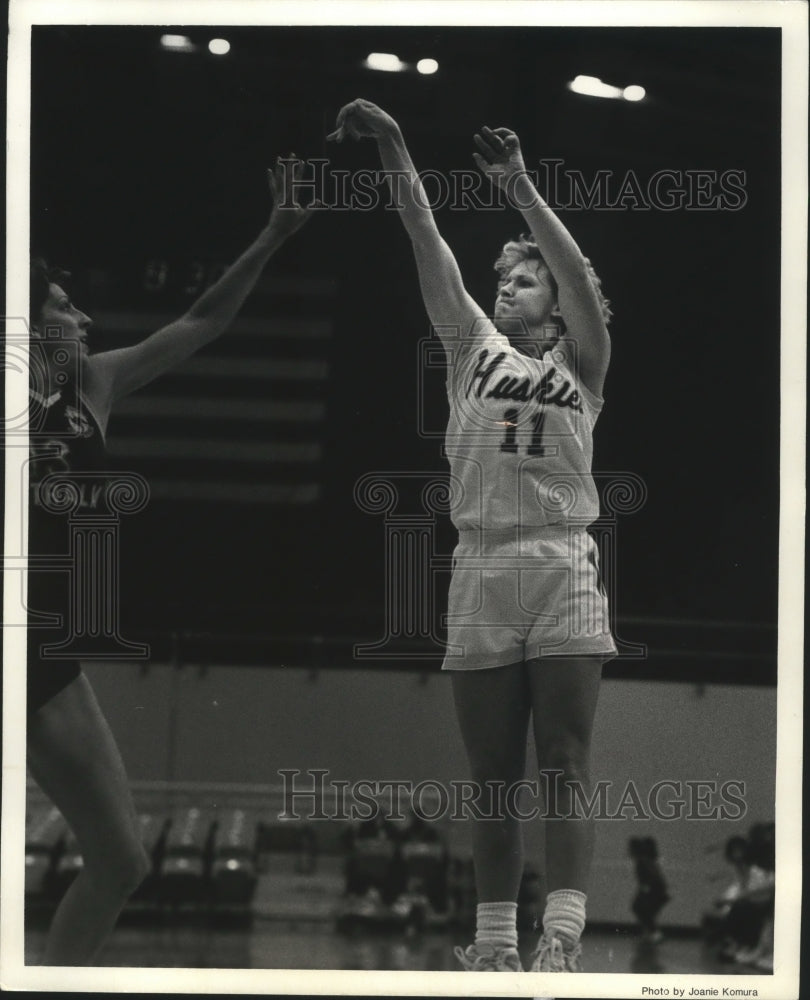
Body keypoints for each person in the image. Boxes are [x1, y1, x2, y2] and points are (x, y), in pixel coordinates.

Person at [329, 99, 616, 974]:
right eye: (502, 278)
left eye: (523, 280)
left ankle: (559, 937)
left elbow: (571, 266)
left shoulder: (584, 360)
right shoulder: (470, 346)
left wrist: (520, 187)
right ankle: (494, 944)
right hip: (482, 564)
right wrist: (395, 141)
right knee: (493, 777)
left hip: (562, 560)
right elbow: (424, 236)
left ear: (561, 305)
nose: (506, 286)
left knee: (563, 760)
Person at [25, 158, 316, 965]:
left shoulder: (92, 386)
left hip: (49, 661)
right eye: (63, 303)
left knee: (122, 861)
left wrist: (274, 233)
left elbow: (200, 323)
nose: (82, 315)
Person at [628, 837, 669, 943]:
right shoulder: (645, 860)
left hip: (654, 889)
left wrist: (646, 890)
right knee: (644, 911)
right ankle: (650, 932)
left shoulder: (642, 861)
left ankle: (654, 933)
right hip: (657, 889)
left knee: (640, 909)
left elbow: (649, 877)